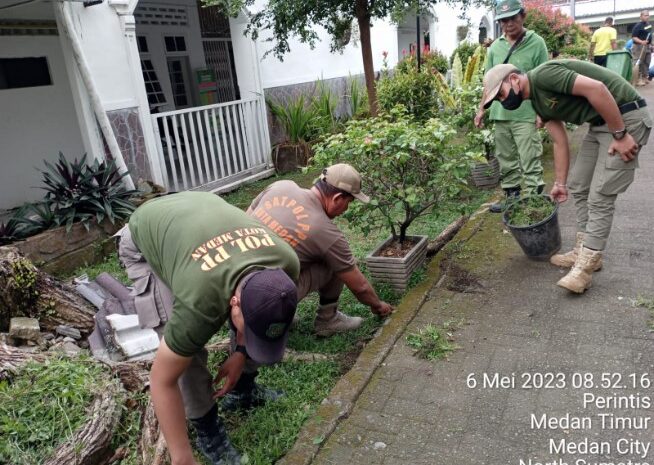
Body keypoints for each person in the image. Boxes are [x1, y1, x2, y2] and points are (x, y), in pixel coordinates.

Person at [116, 191, 300, 465]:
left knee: (256, 320)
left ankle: (243, 390)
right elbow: (162, 380)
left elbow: (257, 310)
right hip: (146, 233)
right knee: (184, 355)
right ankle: (207, 428)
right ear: (233, 303)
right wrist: (182, 457)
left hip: (196, 211)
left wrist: (240, 352)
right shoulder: (200, 302)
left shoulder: (286, 266)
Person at [481, 61, 652, 293]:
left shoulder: (544, 75)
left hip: (626, 116)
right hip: (600, 124)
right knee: (579, 185)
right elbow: (560, 142)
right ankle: (584, 250)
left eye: (501, 94)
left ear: (513, 79)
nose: (503, 101)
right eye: (498, 100)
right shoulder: (538, 104)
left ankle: (585, 268)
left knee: (601, 196)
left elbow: (597, 89)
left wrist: (620, 134)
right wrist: (559, 183)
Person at [247, 163, 393, 337]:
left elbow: (243, 220)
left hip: (231, 292)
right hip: (261, 304)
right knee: (334, 262)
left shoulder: (281, 186)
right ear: (338, 198)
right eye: (349, 203)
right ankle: (327, 320)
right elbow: (360, 286)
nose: (346, 209)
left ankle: (275, 311)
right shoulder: (325, 231)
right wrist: (378, 305)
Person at [474, 0, 549, 213]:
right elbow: (489, 83)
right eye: (503, 20)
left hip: (527, 113)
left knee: (530, 157)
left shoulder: (537, 43)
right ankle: (512, 197)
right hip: (500, 113)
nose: (508, 24)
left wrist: (541, 112)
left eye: (513, 18)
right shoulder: (495, 47)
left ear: (523, 16)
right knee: (505, 159)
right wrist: (481, 109)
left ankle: (534, 200)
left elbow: (543, 81)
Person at [632, 10, 652, 86]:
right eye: (645, 15)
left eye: (648, 15)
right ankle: (637, 80)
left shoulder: (648, 25)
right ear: (641, 16)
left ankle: (644, 78)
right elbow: (634, 37)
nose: (647, 17)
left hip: (647, 46)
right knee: (638, 62)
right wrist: (641, 42)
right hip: (638, 46)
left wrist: (650, 44)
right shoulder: (638, 26)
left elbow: (649, 35)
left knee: (647, 62)